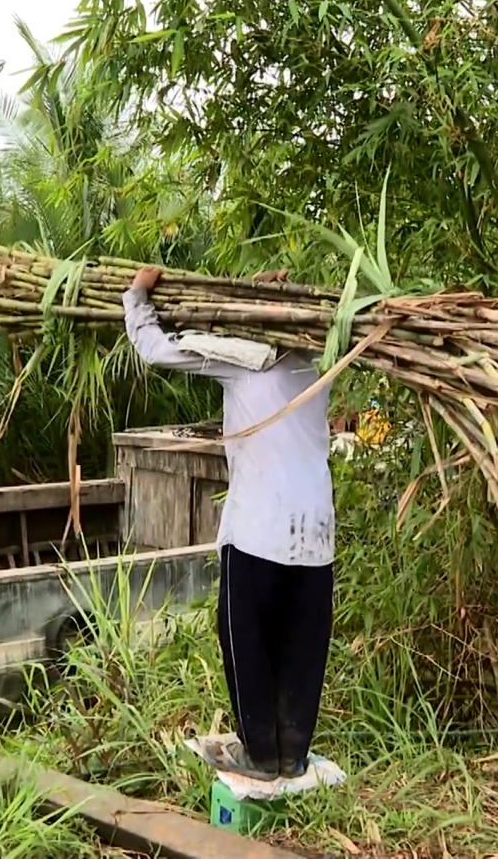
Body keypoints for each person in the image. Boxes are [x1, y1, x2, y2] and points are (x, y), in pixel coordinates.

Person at [122, 265, 335, 782]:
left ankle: (260, 755)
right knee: (301, 649)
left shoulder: (242, 360)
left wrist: (136, 295)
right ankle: (292, 754)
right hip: (315, 537)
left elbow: (154, 347)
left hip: (259, 531)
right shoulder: (319, 362)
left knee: (246, 641)